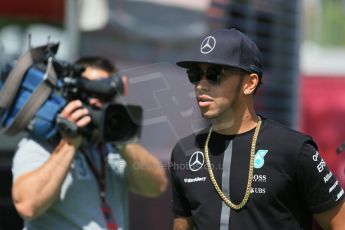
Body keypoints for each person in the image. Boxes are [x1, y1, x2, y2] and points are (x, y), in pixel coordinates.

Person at [170, 28, 345, 230]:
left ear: (250, 83)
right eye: (195, 74)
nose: (201, 85)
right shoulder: (184, 152)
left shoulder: (294, 150)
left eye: (214, 75)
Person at [11, 56, 168, 230]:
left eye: (106, 95)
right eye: (91, 92)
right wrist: (69, 143)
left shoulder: (114, 148)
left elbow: (157, 186)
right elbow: (27, 206)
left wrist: (121, 137)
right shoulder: (40, 145)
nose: (96, 102)